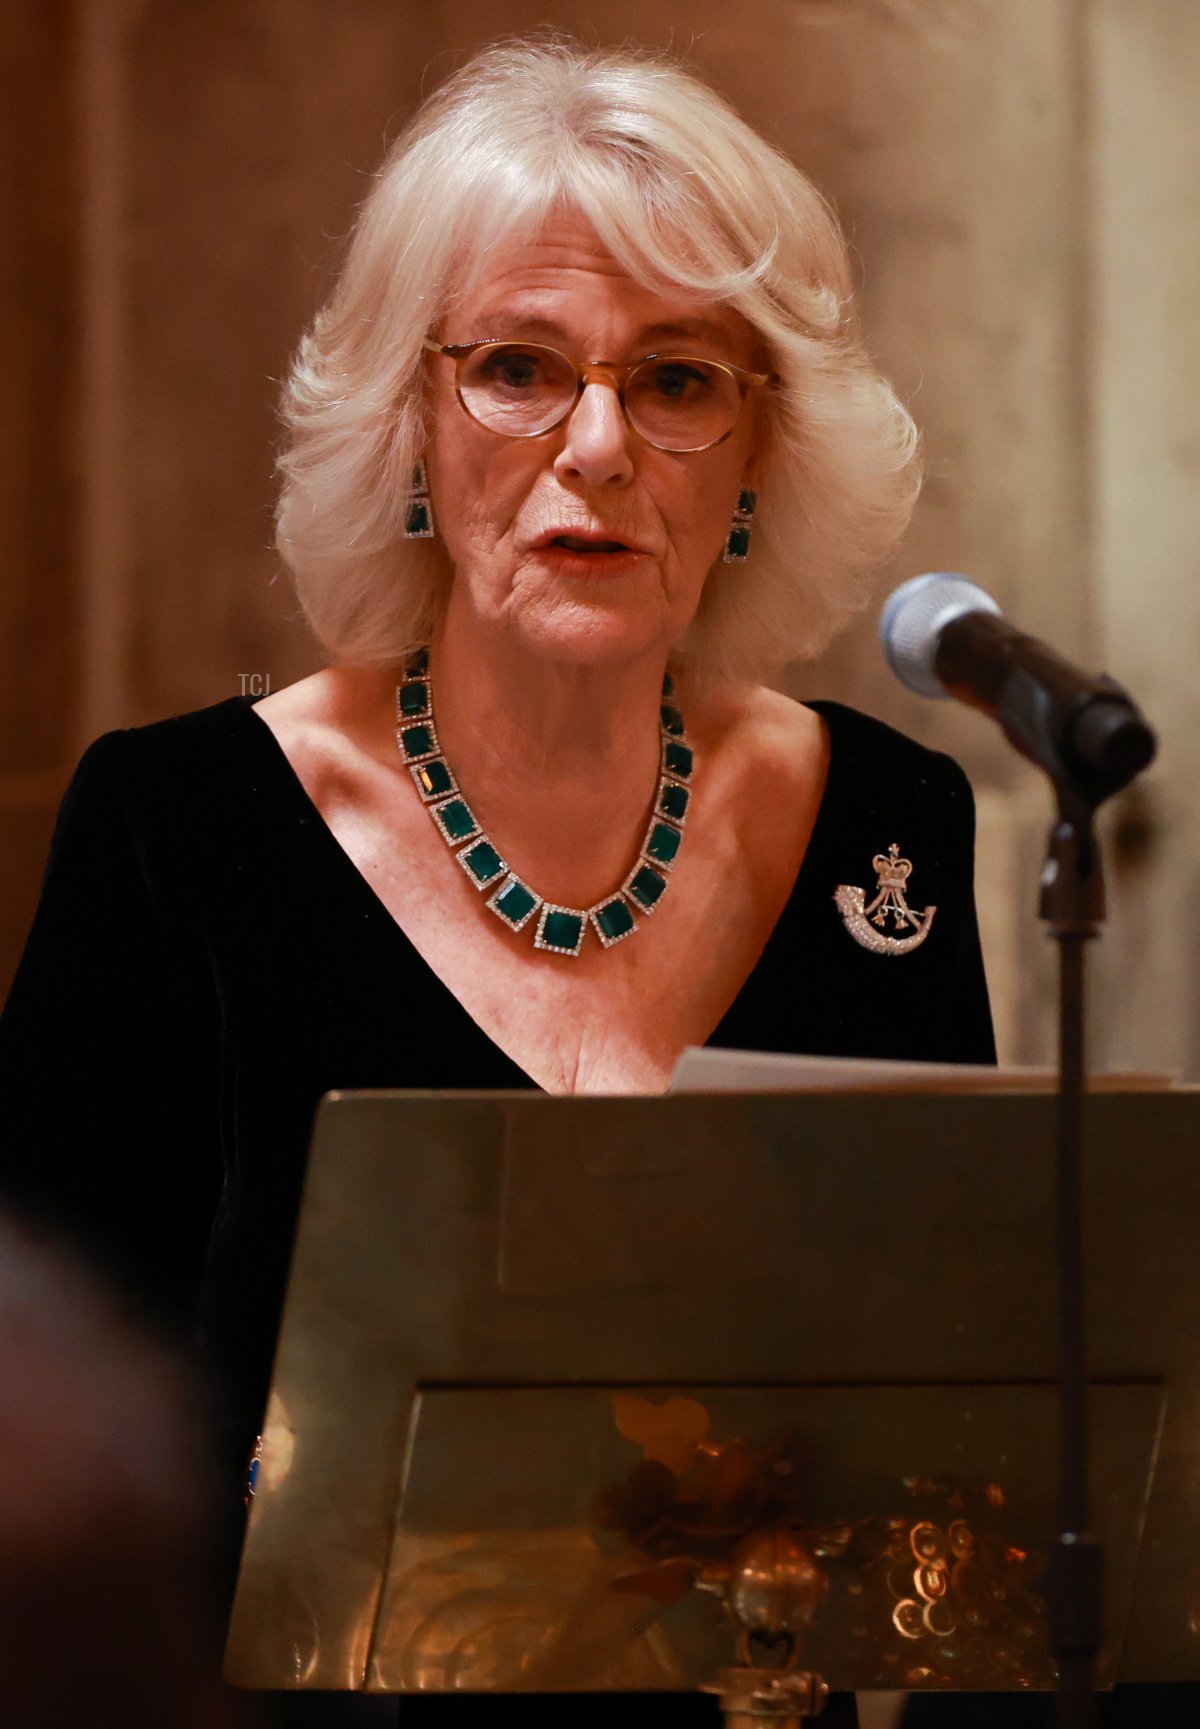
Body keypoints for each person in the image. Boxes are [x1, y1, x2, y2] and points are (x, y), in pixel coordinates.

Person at [0, 36, 996, 1728]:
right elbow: (52, 1495)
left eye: (677, 380)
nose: (597, 444)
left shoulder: (886, 827)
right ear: (410, 429)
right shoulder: (178, 835)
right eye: (518, 368)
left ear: (758, 455)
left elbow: (954, 1424)